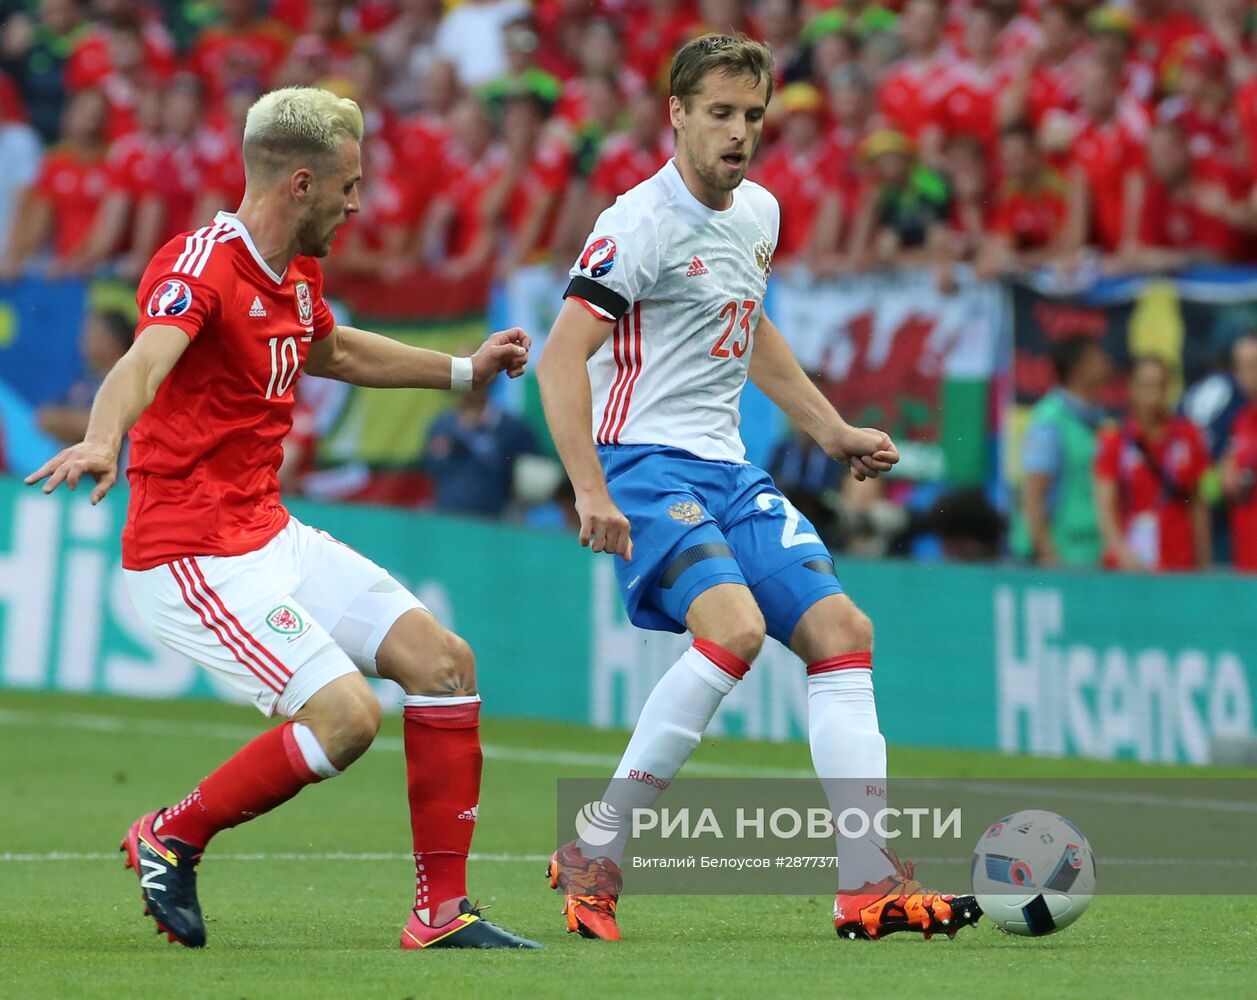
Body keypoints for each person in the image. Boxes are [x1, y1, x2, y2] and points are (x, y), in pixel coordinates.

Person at [24, 87, 539, 952]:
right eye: (349, 184)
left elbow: (330, 348)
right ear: (301, 183)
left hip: (268, 533)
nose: (358, 202)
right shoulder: (199, 265)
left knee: (444, 664)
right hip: (192, 555)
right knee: (347, 719)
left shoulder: (297, 270)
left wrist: (463, 371)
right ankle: (173, 832)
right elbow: (143, 361)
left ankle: (441, 915)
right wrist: (105, 438)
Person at [535, 34, 979, 944]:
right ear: (677, 115)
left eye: (752, 116)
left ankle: (866, 887)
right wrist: (589, 488)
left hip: (728, 468)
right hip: (644, 465)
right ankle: (596, 845)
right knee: (732, 629)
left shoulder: (759, 213)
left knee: (842, 633)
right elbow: (558, 357)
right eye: (720, 114)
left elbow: (751, 326)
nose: (739, 134)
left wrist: (832, 430)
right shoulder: (636, 224)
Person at [1094, 356, 1210, 572]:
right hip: (1130, 563)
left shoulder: (1188, 435)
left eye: (1160, 386)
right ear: (1133, 389)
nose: (1153, 395)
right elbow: (1105, 508)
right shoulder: (1115, 441)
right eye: (1147, 385)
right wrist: (1123, 554)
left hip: (1178, 562)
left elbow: (1197, 504)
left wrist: (1204, 562)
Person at [1011, 335, 1113, 567]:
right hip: (1057, 559)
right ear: (1079, 368)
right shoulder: (1050, 420)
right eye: (1097, 358)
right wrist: (1048, 555)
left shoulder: (1096, 421)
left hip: (1088, 555)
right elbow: (1033, 496)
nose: (1106, 362)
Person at [422, 386, 539, 518]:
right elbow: (430, 471)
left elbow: (531, 477)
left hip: (494, 522)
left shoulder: (512, 428)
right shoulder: (440, 426)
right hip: (447, 520)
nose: (469, 385)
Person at [1222, 332, 1257, 572]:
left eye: (1253, 365)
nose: (1247, 374)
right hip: (1246, 556)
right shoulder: (1241, 420)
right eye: (1240, 367)